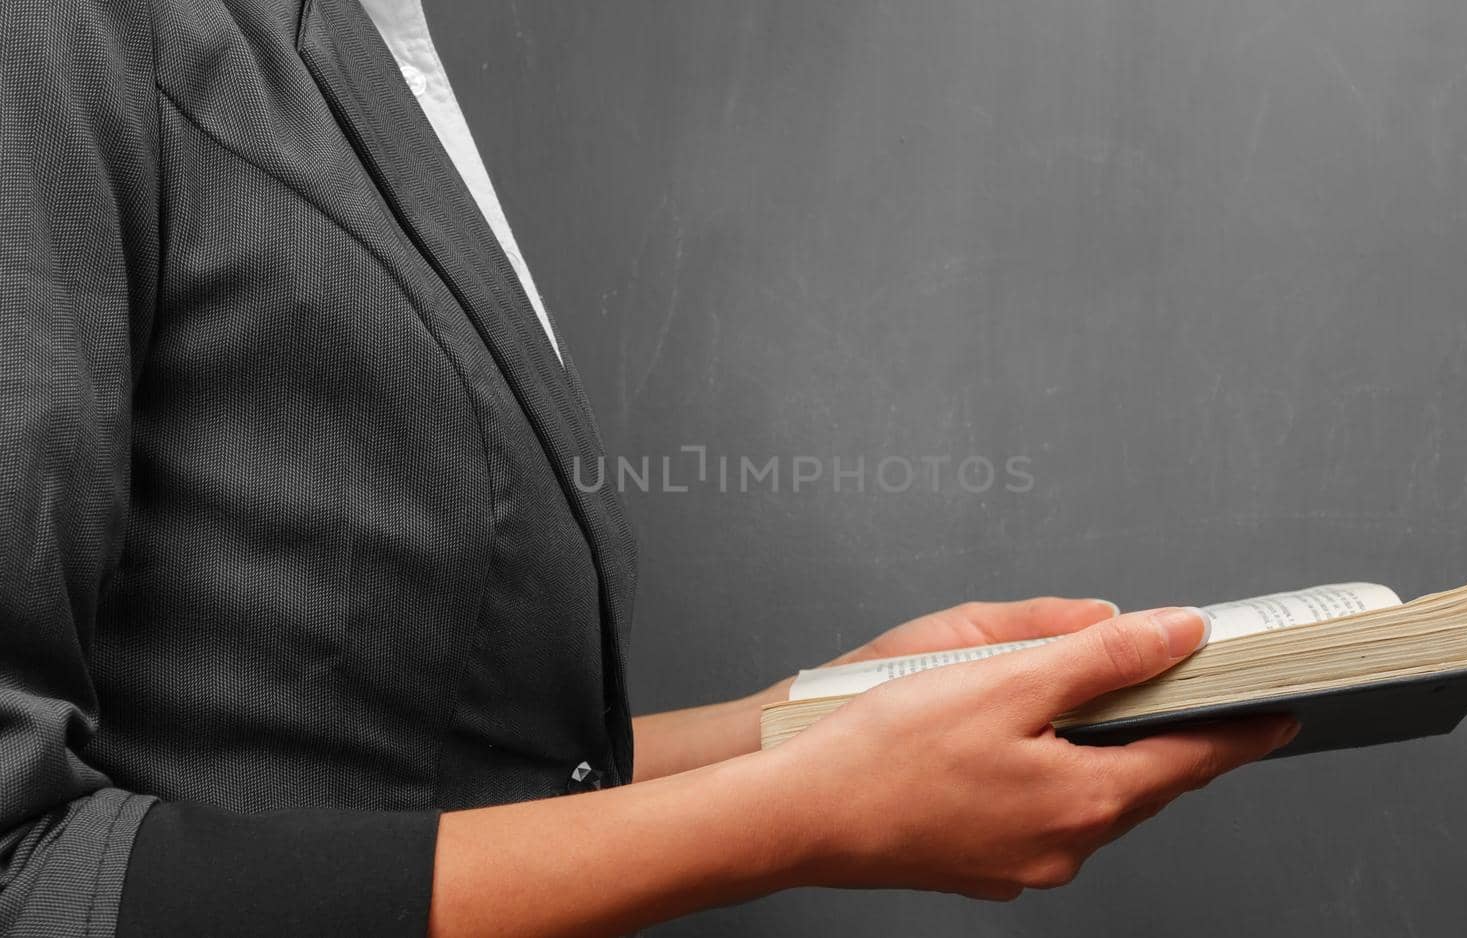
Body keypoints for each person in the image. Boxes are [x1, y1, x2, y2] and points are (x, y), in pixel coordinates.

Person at [0, 0, 1296, 934]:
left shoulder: (363, 51)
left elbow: (407, 768)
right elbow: (26, 865)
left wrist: (801, 723)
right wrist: (795, 815)